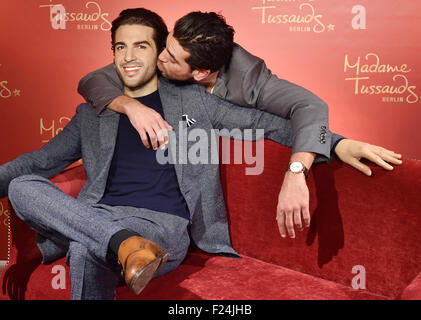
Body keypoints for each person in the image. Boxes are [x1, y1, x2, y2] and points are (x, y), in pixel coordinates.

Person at [0, 8, 322, 300]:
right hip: (98, 214)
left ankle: (123, 243)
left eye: (141, 46)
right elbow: (40, 161)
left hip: (160, 225)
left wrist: (335, 145)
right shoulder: (91, 114)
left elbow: (267, 124)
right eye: (120, 47)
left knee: (85, 248)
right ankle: (123, 244)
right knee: (21, 185)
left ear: (160, 53)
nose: (129, 56)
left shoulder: (196, 102)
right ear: (111, 55)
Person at [78, 11, 402, 239]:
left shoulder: (250, 82)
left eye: (171, 59)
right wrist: (131, 106)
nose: (160, 59)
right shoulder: (165, 52)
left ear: (201, 73)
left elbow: (305, 108)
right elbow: (92, 80)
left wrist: (316, 158)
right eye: (165, 47)